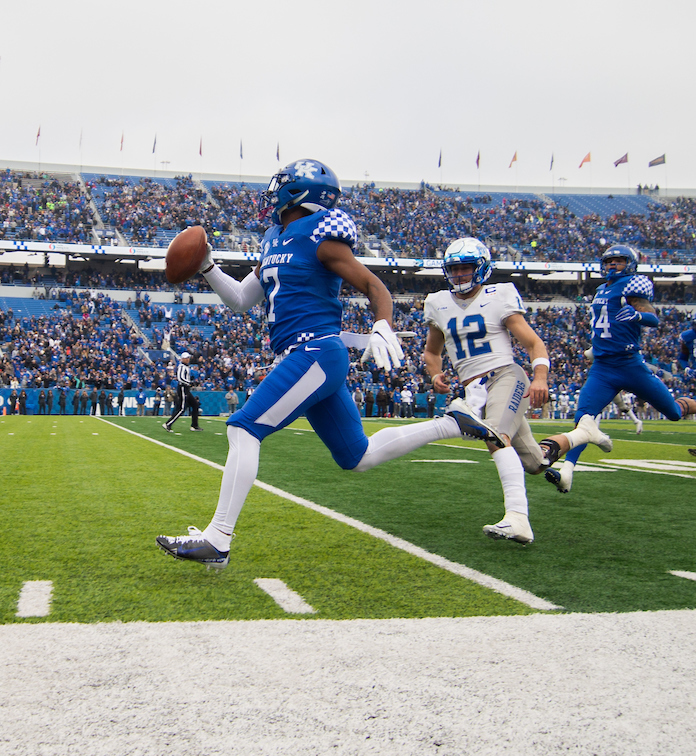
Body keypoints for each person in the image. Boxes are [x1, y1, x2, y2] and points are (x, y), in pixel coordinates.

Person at [155, 159, 505, 571]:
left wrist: (381, 324)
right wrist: (209, 268)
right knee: (356, 455)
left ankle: (218, 539)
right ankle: (452, 424)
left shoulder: (320, 237)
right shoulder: (274, 237)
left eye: (280, 187)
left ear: (296, 192)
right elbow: (240, 299)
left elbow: (375, 286)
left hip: (315, 351)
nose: (272, 194)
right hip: (306, 356)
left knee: (242, 427)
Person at [423, 237, 606, 544]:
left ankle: (518, 519)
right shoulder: (437, 302)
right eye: (454, 269)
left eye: (466, 268)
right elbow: (431, 351)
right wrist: (435, 374)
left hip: (506, 376)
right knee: (536, 464)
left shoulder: (500, 294)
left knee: (494, 435)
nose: (460, 275)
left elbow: (533, 342)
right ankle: (583, 433)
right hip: (475, 389)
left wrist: (540, 377)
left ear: (481, 268)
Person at [546, 245, 696, 493]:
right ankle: (567, 473)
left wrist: (637, 316)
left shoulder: (632, 285)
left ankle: (688, 403)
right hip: (603, 368)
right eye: (609, 261)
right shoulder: (600, 289)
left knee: (673, 413)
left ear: (630, 264)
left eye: (619, 261)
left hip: (629, 365)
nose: (613, 265)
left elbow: (653, 319)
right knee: (583, 421)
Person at [163, 352, 203, 432]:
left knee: (195, 405)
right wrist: (190, 383)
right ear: (182, 359)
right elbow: (180, 378)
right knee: (182, 409)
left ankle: (194, 425)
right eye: (186, 358)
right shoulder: (181, 366)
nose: (187, 359)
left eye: (188, 358)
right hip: (183, 388)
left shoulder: (186, 367)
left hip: (186, 388)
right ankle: (168, 424)